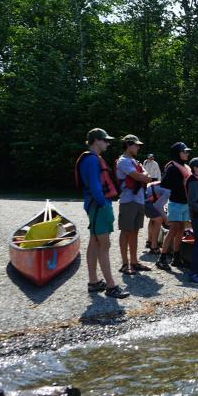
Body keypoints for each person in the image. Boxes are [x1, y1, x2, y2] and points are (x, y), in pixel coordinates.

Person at [74, 128, 129, 298]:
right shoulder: (91, 160)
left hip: (94, 206)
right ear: (96, 140)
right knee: (104, 245)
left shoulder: (91, 158)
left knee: (94, 242)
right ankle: (111, 286)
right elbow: (95, 186)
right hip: (99, 205)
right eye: (105, 140)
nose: (107, 143)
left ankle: (93, 282)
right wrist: (102, 205)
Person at [116, 135, 153, 274]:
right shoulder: (123, 161)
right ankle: (125, 264)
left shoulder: (135, 161)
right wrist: (144, 175)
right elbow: (140, 177)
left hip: (138, 200)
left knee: (135, 232)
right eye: (136, 145)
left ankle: (134, 262)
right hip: (128, 201)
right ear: (128, 145)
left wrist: (144, 175)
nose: (138, 147)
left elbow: (147, 177)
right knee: (126, 231)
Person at [156, 142, 192, 271]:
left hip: (184, 203)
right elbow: (165, 184)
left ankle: (177, 257)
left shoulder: (185, 167)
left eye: (187, 151)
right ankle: (162, 257)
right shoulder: (172, 168)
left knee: (181, 229)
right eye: (185, 151)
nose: (187, 153)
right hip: (175, 203)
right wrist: (177, 185)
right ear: (178, 153)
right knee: (173, 229)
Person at [144, 180, 170, 254]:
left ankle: (149, 241)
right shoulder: (168, 191)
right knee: (159, 219)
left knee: (153, 219)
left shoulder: (162, 183)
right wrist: (165, 219)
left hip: (143, 199)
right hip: (145, 202)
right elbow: (158, 206)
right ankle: (154, 247)